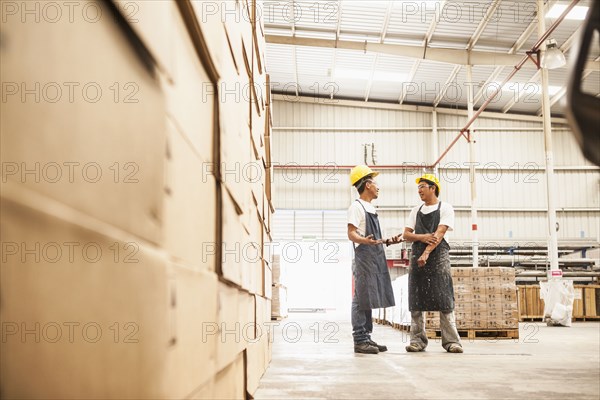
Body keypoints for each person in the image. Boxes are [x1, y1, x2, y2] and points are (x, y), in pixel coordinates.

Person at [402, 174, 463, 353]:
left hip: (438, 257)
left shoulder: (446, 208)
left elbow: (439, 233)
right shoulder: (416, 210)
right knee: (416, 299)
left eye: (422, 186)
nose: (419, 190)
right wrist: (422, 237)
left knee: (444, 298)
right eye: (418, 188)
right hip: (417, 257)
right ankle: (417, 340)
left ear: (433, 188)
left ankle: (452, 341)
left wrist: (426, 253)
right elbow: (406, 234)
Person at [347, 165, 402, 354]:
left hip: (374, 255)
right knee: (360, 297)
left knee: (367, 297)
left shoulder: (370, 208)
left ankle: (367, 337)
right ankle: (360, 339)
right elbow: (352, 234)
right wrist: (366, 241)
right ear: (368, 184)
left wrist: (386, 241)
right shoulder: (356, 206)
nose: (378, 187)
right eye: (375, 183)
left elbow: (371, 236)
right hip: (364, 257)